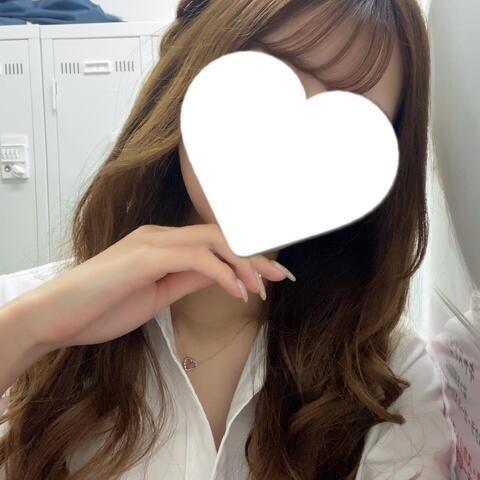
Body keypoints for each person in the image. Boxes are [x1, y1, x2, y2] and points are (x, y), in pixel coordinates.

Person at [0, 0, 455, 479]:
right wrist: (28, 333)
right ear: (189, 72)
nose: (290, 149)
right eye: (272, 75)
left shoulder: (391, 379)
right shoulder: (25, 313)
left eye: (350, 124)